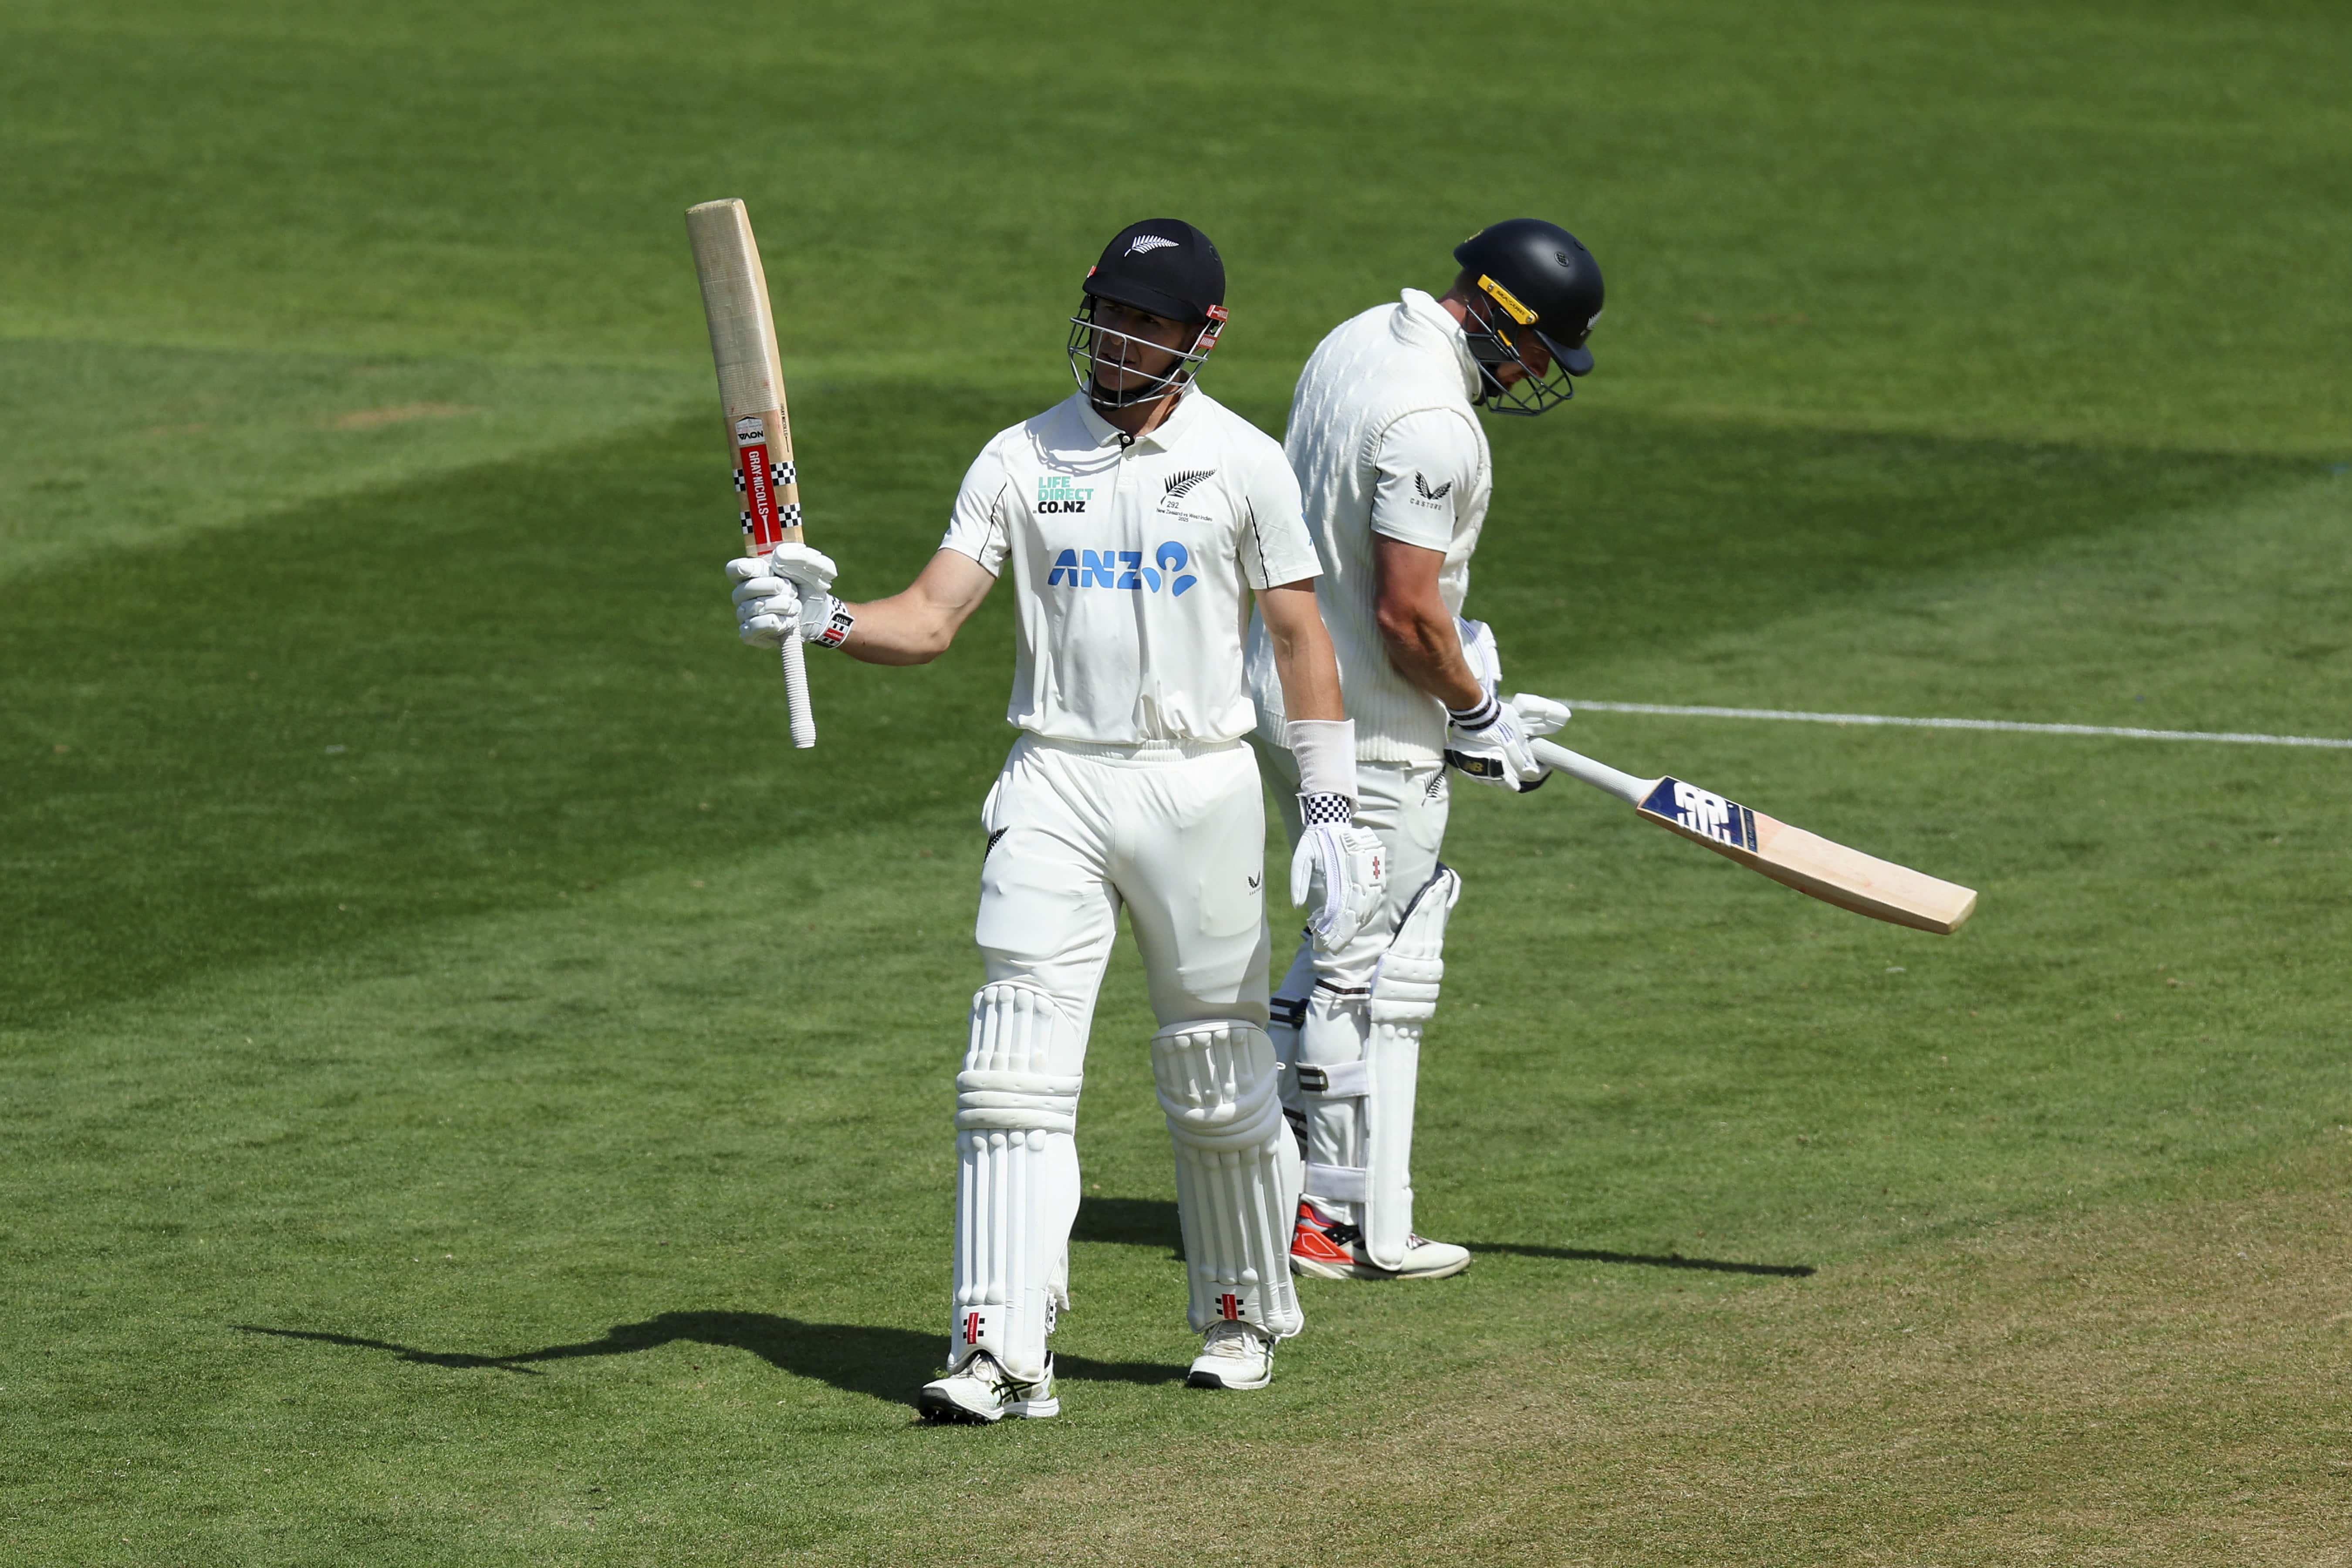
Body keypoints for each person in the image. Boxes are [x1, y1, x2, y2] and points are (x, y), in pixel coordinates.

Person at [726, 220, 1387, 1423]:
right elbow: (930, 620)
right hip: (1055, 782)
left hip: (1199, 786)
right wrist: (822, 621)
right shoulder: (1020, 457)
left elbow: (1301, 638)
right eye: (1109, 314)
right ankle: (1000, 1349)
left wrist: (1332, 809)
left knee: (1216, 1069)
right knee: (1009, 1075)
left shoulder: (1243, 462)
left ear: (1201, 336)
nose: (1119, 340)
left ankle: (1239, 1311)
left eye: (1146, 322)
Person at [1244, 218, 1603, 1282]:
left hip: (1283, 692)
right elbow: (1405, 615)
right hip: (1370, 732)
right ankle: (1328, 1218)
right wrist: (1475, 711)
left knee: (1335, 945)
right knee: (1369, 966)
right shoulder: (1435, 422)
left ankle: (1270, 1184)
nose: (1535, 372)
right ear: (1501, 318)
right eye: (1537, 349)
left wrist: (1466, 667)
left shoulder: (1356, 338)